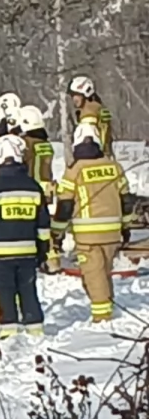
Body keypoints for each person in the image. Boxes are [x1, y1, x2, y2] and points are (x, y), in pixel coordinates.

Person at [52, 124, 135, 323]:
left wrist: (56, 235)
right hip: (112, 233)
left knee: (93, 276)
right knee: (104, 273)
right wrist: (126, 227)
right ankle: (108, 305)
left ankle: (102, 318)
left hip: (88, 236)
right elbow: (126, 200)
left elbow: (64, 207)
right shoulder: (114, 167)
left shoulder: (75, 171)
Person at [0, 135, 50, 339]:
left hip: (0, 254)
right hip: (28, 252)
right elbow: (43, 223)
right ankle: (35, 328)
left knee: (4, 292)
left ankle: (8, 330)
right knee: (28, 289)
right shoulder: (33, 186)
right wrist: (43, 249)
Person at [18, 106, 60, 273]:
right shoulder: (46, 144)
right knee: (44, 226)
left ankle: (35, 258)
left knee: (28, 225)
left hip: (30, 190)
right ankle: (52, 259)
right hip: (46, 190)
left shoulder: (27, 145)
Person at [68, 76, 114, 158]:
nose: (74, 98)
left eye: (77, 94)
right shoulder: (97, 109)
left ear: (86, 93)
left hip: (93, 156)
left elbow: (86, 147)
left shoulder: (89, 113)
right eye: (72, 95)